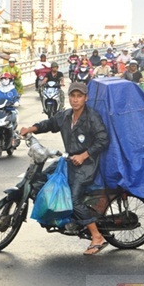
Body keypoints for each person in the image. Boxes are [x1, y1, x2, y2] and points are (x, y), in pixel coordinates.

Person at [20, 82, 109, 255]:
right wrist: (30, 129)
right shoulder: (66, 116)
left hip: (86, 165)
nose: (75, 100)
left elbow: (103, 139)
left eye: (79, 96)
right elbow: (50, 123)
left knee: (72, 199)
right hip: (68, 161)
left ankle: (97, 236)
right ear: (68, 98)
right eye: (72, 96)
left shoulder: (92, 117)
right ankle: (59, 217)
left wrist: (84, 155)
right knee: (40, 181)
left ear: (86, 98)